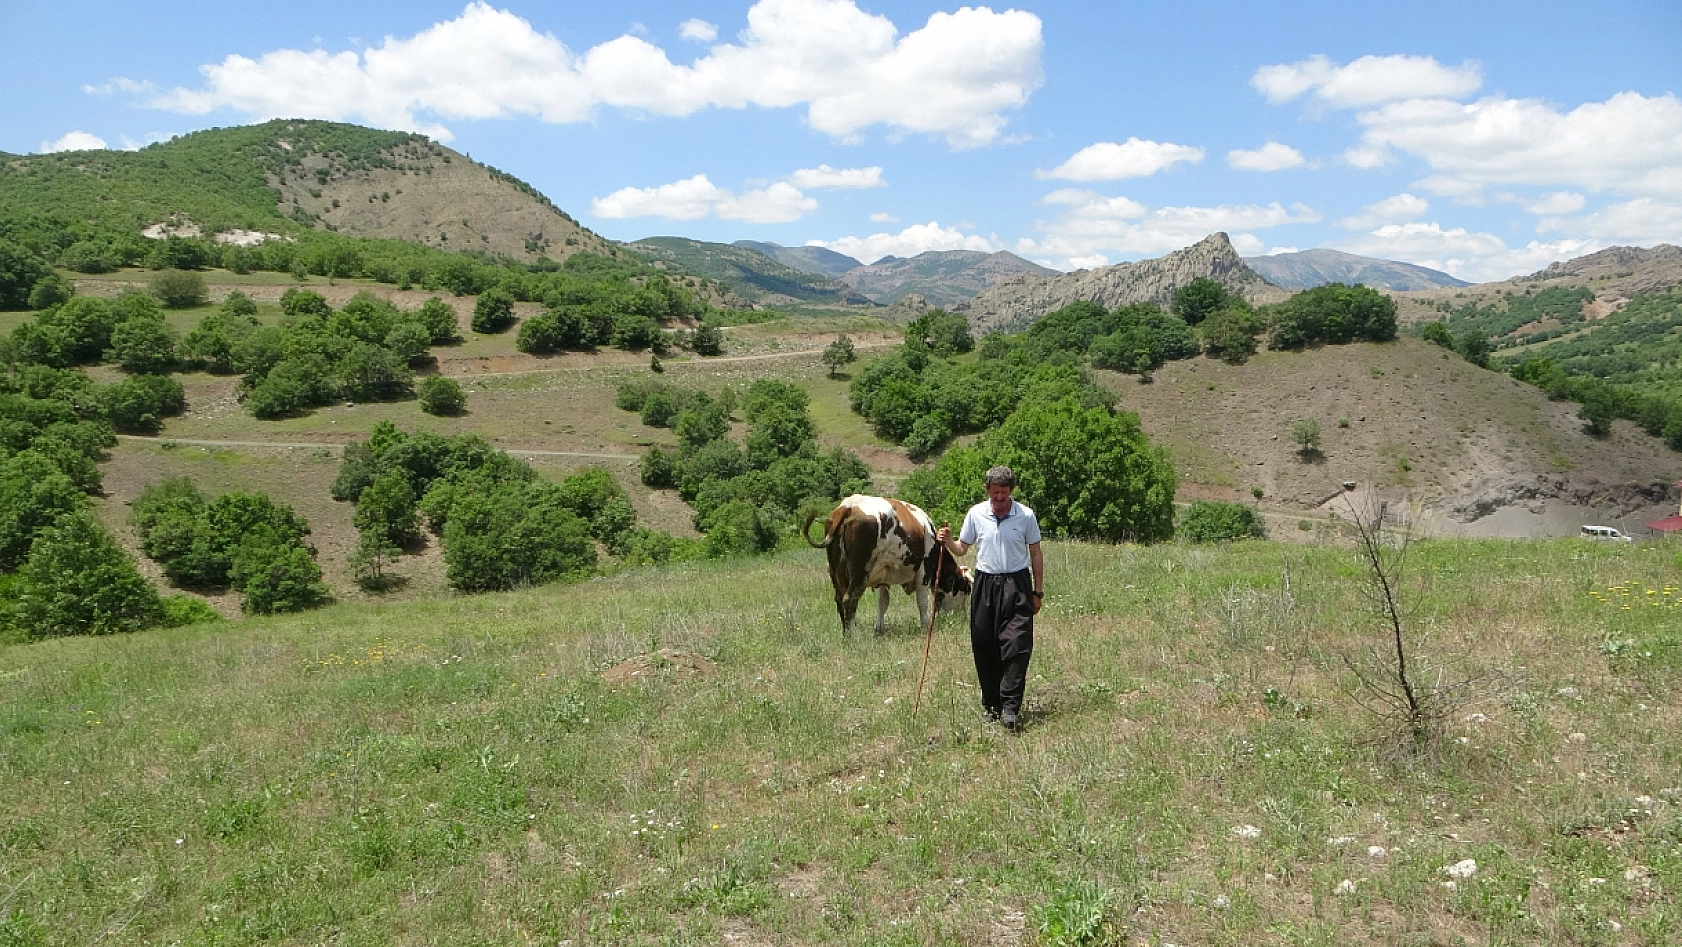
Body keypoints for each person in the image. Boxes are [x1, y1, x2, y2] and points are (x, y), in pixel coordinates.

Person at [935, 465, 1043, 730]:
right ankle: (992, 705)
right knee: (985, 645)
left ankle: (1010, 708)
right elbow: (962, 549)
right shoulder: (976, 514)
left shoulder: (1025, 516)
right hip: (985, 585)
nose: (999, 500)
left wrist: (1037, 591)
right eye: (995, 494)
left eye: (1004, 494)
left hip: (1017, 584)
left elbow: (1036, 554)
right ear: (988, 491)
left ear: (1011, 491)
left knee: (1017, 646)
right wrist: (947, 541)